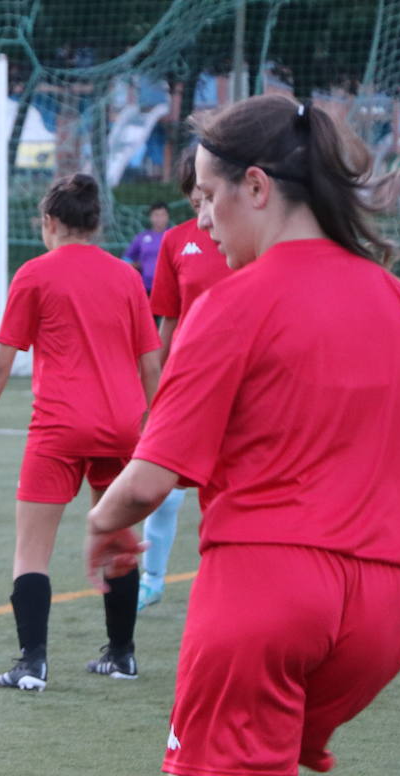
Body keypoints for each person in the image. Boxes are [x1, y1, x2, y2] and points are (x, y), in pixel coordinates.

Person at [54, 96, 400, 776]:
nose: (204, 224)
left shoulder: (236, 303)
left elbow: (148, 478)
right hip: (379, 615)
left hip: (266, 598)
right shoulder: (398, 303)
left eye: (208, 199)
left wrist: (104, 525)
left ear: (256, 186)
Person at [0, 172, 160, 692]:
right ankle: (122, 656)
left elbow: (3, 362)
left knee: (31, 550)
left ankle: (33, 664)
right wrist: (154, 424)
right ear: (97, 223)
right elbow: (150, 363)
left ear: (50, 223)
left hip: (59, 427)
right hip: (123, 426)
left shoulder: (35, 274)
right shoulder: (124, 276)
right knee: (120, 540)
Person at [135, 150, 233, 610]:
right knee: (167, 487)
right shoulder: (177, 243)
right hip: (189, 380)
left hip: (242, 382)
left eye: (209, 199)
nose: (204, 214)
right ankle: (152, 578)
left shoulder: (256, 240)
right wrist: (155, 389)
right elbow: (168, 326)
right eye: (197, 202)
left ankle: (231, 581)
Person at [122, 201, 170, 294]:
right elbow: (126, 259)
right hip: (146, 287)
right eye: (156, 215)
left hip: (169, 286)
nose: (159, 218)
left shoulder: (174, 235)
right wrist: (135, 265)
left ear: (167, 217)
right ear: (150, 217)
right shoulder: (142, 237)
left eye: (163, 215)